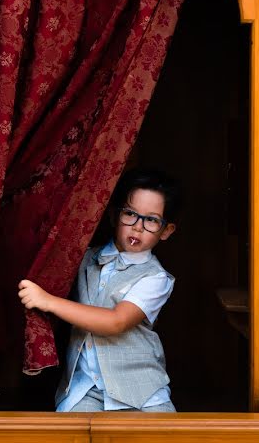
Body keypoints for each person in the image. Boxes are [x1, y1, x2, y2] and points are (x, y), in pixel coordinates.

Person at [18, 168, 180, 412]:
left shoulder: (155, 278)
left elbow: (117, 322)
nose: (137, 227)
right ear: (115, 216)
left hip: (141, 392)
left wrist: (47, 300)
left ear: (166, 231)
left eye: (151, 220)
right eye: (130, 214)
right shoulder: (83, 258)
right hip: (84, 389)